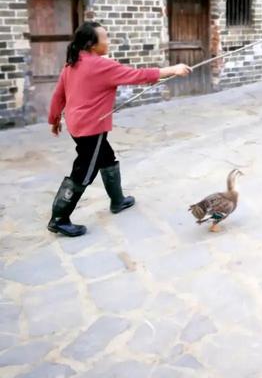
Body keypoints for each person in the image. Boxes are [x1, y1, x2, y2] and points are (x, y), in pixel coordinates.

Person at [47, 21, 192, 237]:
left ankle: (118, 201)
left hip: (77, 124)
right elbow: (138, 75)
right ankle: (59, 218)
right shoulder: (99, 65)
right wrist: (174, 69)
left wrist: (55, 118)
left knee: (106, 157)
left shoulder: (73, 63)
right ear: (92, 44)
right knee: (84, 171)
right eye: (105, 38)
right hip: (91, 128)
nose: (108, 41)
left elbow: (59, 94)